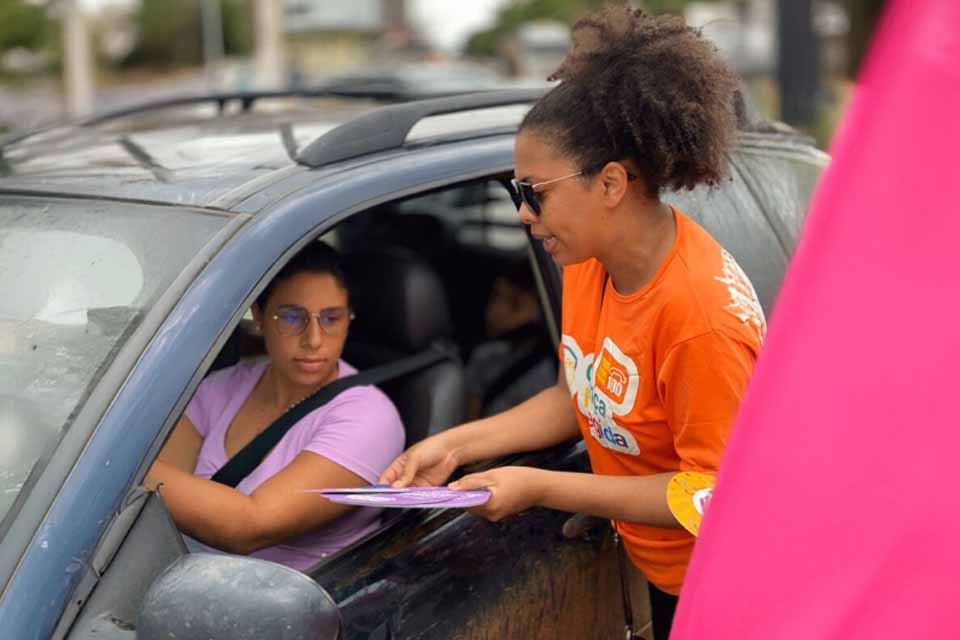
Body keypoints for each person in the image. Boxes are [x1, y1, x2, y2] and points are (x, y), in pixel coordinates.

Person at [380, 7, 764, 638]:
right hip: (665, 575)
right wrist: (457, 445)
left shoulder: (700, 318)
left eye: (535, 193)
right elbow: (576, 395)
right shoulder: (589, 262)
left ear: (610, 183)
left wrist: (541, 486)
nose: (525, 217)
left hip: (728, 592)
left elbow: (708, 495)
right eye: (516, 193)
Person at [146, 241, 404, 571]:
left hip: (295, 611)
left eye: (331, 318)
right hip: (186, 586)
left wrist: (118, 467)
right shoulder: (221, 388)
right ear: (259, 315)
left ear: (349, 320)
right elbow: (153, 506)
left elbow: (251, 526)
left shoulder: (369, 416)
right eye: (293, 317)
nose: (313, 339)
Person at [464, 256, 556, 418]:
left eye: (514, 304)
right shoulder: (484, 357)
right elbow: (470, 420)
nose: (497, 311)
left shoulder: (554, 370)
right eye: (496, 297)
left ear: (541, 312)